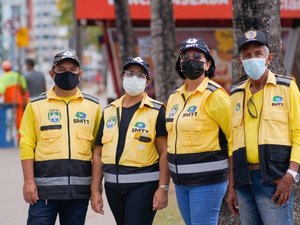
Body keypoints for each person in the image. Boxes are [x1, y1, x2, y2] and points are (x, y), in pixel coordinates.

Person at [226, 29, 300, 225]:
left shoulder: (286, 87)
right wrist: (231, 186)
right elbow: (232, 141)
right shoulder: (235, 94)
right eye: (247, 55)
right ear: (240, 60)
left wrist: (290, 176)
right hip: (244, 181)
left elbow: (299, 133)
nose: (253, 59)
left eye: (258, 53)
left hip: (275, 179)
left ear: (269, 58)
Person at [19, 51, 102, 225]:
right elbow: (26, 144)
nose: (68, 73)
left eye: (73, 69)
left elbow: (98, 150)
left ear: (80, 73)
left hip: (79, 193)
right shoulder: (35, 105)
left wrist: (95, 190)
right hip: (43, 193)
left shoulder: (93, 107)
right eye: (62, 69)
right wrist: (28, 182)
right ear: (52, 74)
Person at [91, 56, 169, 225]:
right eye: (131, 73)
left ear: (148, 81)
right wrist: (95, 189)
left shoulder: (156, 111)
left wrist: (163, 188)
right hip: (113, 188)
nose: (135, 78)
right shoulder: (109, 111)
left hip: (144, 186)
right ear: (122, 77)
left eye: (141, 75)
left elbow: (165, 152)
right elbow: (97, 153)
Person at [165, 38, 231, 225]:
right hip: (181, 183)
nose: (190, 60)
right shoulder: (174, 98)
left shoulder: (215, 96)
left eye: (197, 56)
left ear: (208, 63)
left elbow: (234, 140)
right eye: (185, 56)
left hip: (207, 182)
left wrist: (233, 183)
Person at [0, 60, 28, 131]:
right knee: (20, 120)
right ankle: (20, 138)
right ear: (11, 67)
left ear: (3, 68)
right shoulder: (18, 76)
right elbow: (24, 88)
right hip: (19, 102)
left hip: (9, 104)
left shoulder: (3, 78)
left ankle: (13, 138)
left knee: (10, 122)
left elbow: (1, 91)